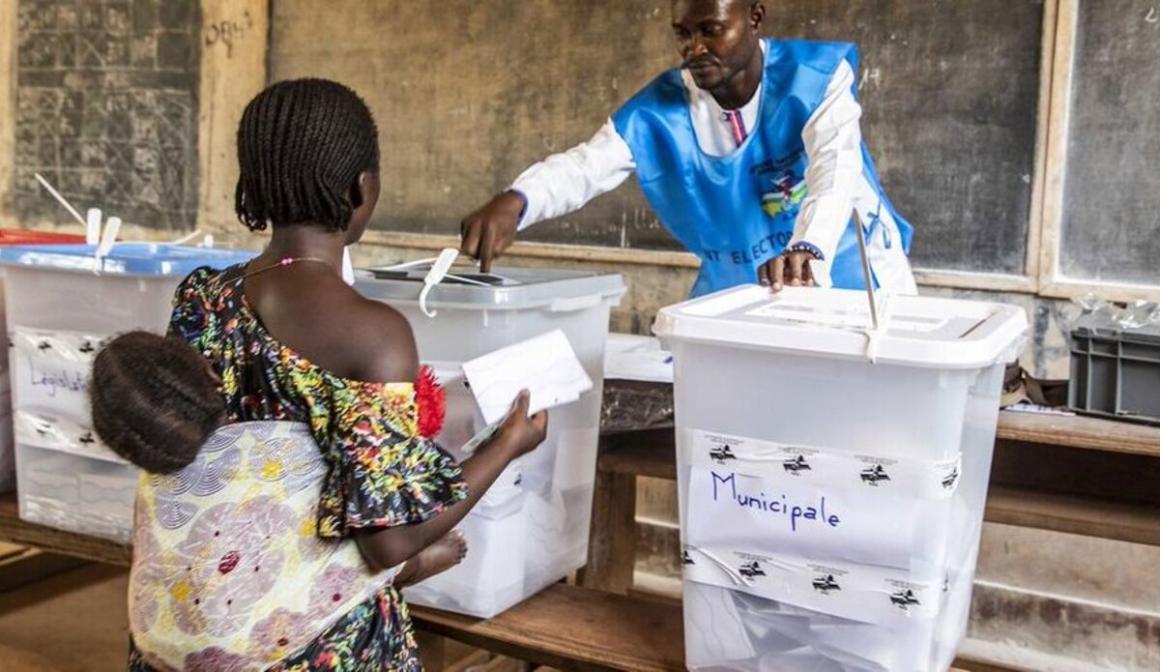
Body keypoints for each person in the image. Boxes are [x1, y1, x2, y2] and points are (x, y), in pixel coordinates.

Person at [90, 78, 547, 672]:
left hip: (194, 628)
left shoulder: (201, 298)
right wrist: (509, 443)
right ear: (364, 188)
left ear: (251, 185)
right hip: (307, 651)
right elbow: (388, 539)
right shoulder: (373, 333)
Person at [460, 0, 917, 298]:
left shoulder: (815, 77)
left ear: (754, 18)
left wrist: (809, 247)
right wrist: (517, 200)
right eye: (682, 34)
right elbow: (584, 167)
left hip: (852, 272)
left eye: (711, 30)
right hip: (749, 283)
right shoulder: (658, 111)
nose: (695, 48)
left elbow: (835, 170)